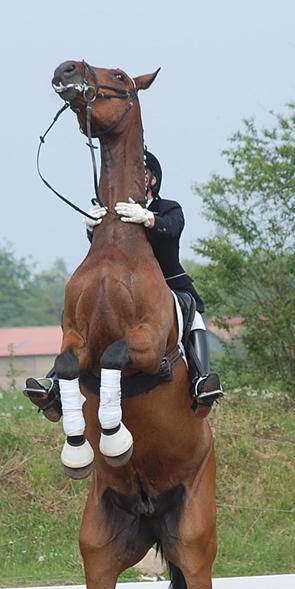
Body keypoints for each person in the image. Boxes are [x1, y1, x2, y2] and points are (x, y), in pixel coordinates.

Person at [84, 149, 224, 416]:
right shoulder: (116, 212)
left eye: (140, 173)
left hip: (168, 284)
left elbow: (172, 228)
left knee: (193, 317)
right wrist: (93, 228)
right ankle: (56, 381)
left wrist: (149, 219)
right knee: (81, 311)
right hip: (123, 290)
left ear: (152, 180)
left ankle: (200, 380)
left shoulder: (168, 207)